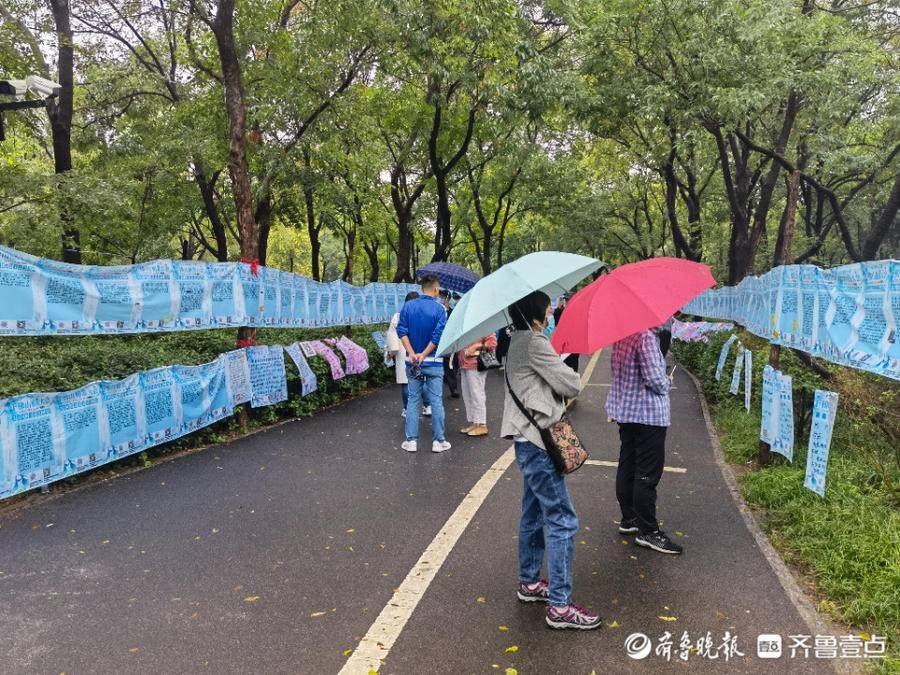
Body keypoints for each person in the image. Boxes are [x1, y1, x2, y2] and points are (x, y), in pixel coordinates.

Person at [501, 290, 601, 630]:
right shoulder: (534, 342)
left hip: (525, 440)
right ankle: (560, 605)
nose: (550, 313)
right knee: (562, 519)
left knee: (533, 513)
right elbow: (572, 384)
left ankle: (530, 583)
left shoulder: (516, 341)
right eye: (547, 308)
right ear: (535, 312)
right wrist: (559, 358)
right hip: (540, 443)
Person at [606, 326, 682, 555]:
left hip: (626, 412)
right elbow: (654, 381)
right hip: (648, 415)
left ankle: (629, 518)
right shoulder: (646, 337)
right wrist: (668, 380)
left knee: (628, 466)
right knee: (647, 473)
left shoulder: (622, 335)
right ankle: (648, 531)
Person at [397, 275, 451, 454]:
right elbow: (437, 336)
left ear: (422, 287)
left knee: (413, 400)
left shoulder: (408, 306)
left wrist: (413, 354)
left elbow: (402, 331)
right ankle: (438, 441)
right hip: (434, 362)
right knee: (436, 401)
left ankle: (411, 441)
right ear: (435, 289)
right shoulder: (440, 309)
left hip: (412, 363)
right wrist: (425, 354)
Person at [386, 291, 431, 418]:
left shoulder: (398, 316)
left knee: (405, 382)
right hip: (420, 352)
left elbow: (392, 337)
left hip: (403, 353)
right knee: (421, 379)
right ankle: (428, 407)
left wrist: (391, 352)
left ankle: (407, 410)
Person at [457, 332, 498, 437]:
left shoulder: (484, 325)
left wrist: (477, 346)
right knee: (468, 395)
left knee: (477, 394)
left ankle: (482, 424)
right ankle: (475, 422)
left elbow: (492, 343)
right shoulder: (467, 326)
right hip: (464, 364)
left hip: (476, 364)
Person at [439, 290, 461, 398]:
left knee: (455, 363)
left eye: (443, 297)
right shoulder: (438, 311)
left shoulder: (453, 312)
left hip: (454, 341)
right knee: (448, 364)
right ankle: (454, 388)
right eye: (440, 297)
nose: (442, 299)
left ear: (448, 299)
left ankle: (449, 378)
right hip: (442, 342)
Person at [553, 295, 580, 374]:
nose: (567, 302)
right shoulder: (561, 311)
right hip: (564, 344)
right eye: (566, 300)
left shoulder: (576, 311)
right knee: (566, 366)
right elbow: (557, 323)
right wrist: (558, 309)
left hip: (573, 345)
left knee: (573, 366)